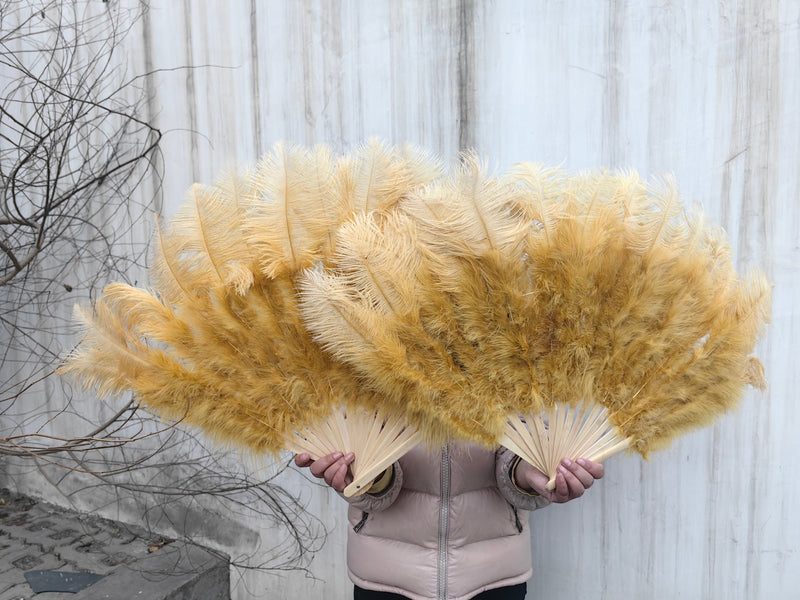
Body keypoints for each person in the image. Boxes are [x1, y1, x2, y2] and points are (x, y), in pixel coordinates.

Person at [295, 442, 604, 600]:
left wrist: (530, 473)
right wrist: (366, 476)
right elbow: (356, 434)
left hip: (494, 574)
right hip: (386, 575)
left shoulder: (513, 324)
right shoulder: (362, 326)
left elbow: (524, 431)